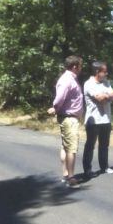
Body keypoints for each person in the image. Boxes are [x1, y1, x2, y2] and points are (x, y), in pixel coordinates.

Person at [47, 55, 84, 187]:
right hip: (69, 118)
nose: (81, 68)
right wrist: (55, 108)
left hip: (70, 117)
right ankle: (71, 178)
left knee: (66, 146)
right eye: (80, 65)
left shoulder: (71, 79)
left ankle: (66, 174)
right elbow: (59, 98)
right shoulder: (67, 80)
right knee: (71, 148)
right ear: (75, 66)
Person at [83, 61, 113, 177]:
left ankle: (104, 167)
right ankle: (87, 169)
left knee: (104, 145)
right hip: (93, 120)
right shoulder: (89, 84)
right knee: (90, 145)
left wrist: (106, 96)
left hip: (106, 119)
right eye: (104, 71)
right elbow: (100, 99)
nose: (106, 74)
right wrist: (107, 96)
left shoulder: (106, 82)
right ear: (97, 72)